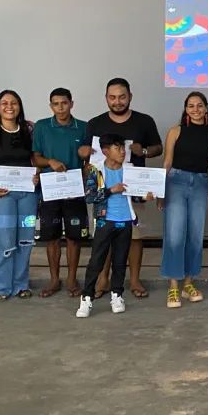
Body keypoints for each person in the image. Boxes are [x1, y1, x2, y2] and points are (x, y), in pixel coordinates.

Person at [78, 77, 162, 299]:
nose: (117, 101)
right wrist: (83, 153)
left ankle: (134, 280)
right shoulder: (95, 123)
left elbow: (158, 148)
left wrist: (144, 151)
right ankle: (103, 279)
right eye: (112, 97)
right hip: (103, 189)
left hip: (134, 188)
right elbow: (85, 151)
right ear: (106, 98)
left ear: (130, 96)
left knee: (135, 235)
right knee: (103, 237)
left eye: (122, 97)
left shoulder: (144, 121)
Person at [76, 134, 149, 318]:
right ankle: (86, 298)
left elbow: (136, 195)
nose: (122, 152)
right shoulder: (96, 170)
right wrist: (111, 190)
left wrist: (145, 196)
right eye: (118, 148)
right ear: (106, 151)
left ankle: (117, 295)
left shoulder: (130, 169)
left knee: (120, 260)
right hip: (104, 220)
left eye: (123, 148)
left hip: (125, 220)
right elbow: (90, 197)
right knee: (96, 260)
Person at [160, 92, 208, 309]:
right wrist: (160, 191)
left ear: (206, 108)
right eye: (191, 106)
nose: (196, 109)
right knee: (175, 235)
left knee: (195, 236)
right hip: (175, 182)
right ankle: (173, 285)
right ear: (186, 109)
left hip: (201, 184)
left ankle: (188, 284)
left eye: (200, 105)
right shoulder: (175, 131)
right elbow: (167, 162)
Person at [0, 90, 38, 302]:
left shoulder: (30, 129)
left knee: (25, 240)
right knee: (4, 240)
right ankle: (0, 287)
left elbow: (37, 157)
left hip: (28, 195)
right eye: (4, 103)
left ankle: (21, 284)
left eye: (14, 103)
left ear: (20, 106)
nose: (9, 107)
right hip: (0, 196)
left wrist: (37, 175)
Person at [32, 87, 88, 298]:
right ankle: (54, 279)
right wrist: (50, 162)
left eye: (64, 103)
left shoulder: (83, 127)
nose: (60, 107)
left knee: (75, 237)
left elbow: (90, 158)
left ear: (71, 104)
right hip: (50, 191)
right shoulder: (42, 126)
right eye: (56, 104)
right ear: (51, 106)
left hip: (75, 191)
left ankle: (72, 279)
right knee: (52, 237)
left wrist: (86, 176)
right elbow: (35, 158)